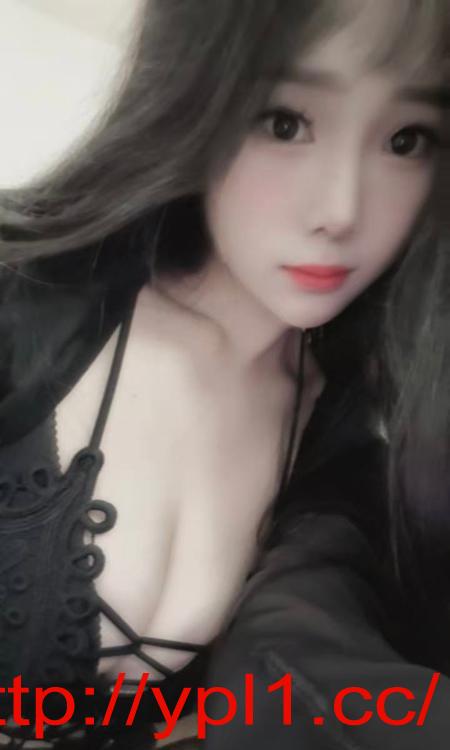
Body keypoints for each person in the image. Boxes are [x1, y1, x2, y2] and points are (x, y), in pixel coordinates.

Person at [0, 0, 449, 747]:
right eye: (285, 122)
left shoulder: (340, 434)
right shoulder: (28, 300)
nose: (341, 210)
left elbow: (312, 668)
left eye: (407, 139)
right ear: (195, 101)